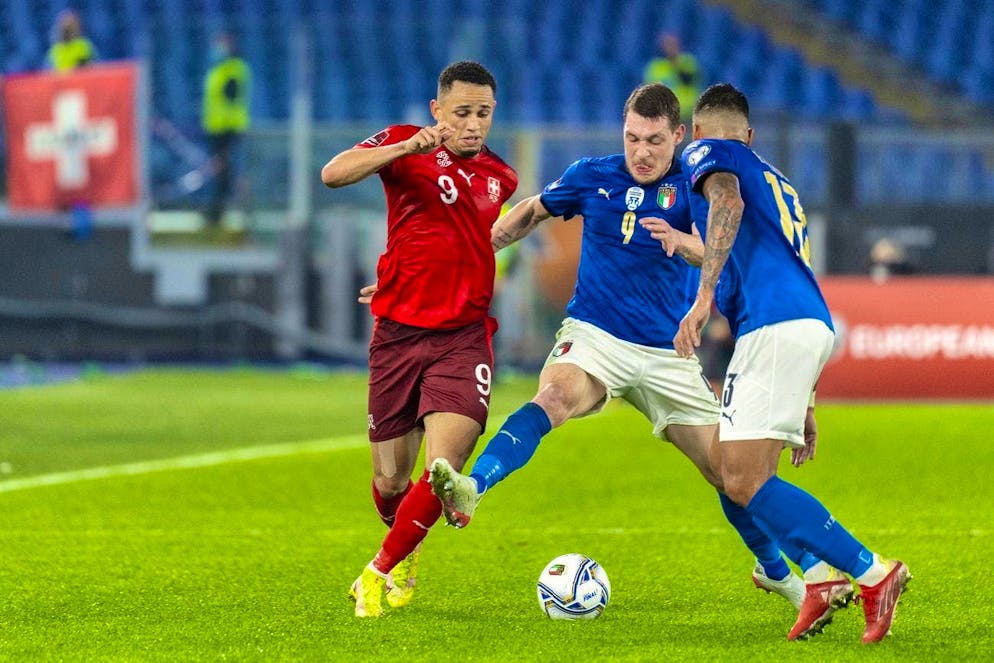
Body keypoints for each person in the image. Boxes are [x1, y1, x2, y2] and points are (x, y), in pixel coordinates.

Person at [428, 83, 824, 617]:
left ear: (679, 137)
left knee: (732, 476)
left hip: (668, 354)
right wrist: (466, 252)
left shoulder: (698, 182)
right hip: (596, 336)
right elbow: (531, 213)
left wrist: (688, 247)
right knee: (555, 396)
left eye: (655, 141)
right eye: (633, 138)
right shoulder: (592, 174)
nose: (641, 152)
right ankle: (474, 486)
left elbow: (730, 254)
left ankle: (780, 575)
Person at [672, 82, 910, 644]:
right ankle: (821, 578)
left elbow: (725, 202)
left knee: (743, 479)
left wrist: (702, 298)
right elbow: (763, 262)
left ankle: (873, 572)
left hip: (776, 330)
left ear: (699, 134)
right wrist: (805, 400)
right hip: (798, 325)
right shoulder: (780, 185)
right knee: (734, 475)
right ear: (752, 134)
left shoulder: (712, 156)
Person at [320, 61, 517, 618]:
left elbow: (471, 239)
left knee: (443, 470)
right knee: (390, 481)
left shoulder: (502, 177)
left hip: (463, 337)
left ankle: (378, 570)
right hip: (398, 335)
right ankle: (404, 546)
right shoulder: (406, 145)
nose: (472, 124)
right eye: (461, 113)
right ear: (436, 110)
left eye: (482, 113)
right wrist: (404, 152)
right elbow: (333, 174)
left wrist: (415, 267)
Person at [201, 32, 251, 230]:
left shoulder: (234, 69)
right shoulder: (221, 69)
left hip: (227, 129)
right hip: (217, 129)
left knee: (224, 173)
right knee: (223, 174)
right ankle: (219, 212)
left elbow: (230, 97)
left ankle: (217, 214)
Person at [643, 33, 700, 124]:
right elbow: (650, 92)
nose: (671, 48)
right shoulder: (655, 67)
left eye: (673, 45)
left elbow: (688, 79)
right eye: (669, 45)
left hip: (688, 113)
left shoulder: (688, 61)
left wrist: (675, 64)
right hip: (665, 115)